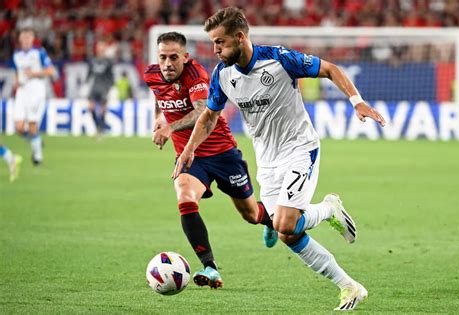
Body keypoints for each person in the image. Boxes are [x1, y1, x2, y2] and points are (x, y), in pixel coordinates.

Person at [174, 7, 386, 311]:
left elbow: (331, 69)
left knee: (285, 222)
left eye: (220, 42)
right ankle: (349, 285)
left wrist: (358, 102)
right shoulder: (223, 75)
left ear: (240, 37)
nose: (216, 50)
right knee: (287, 232)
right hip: (268, 161)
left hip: (300, 148)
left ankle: (327, 209)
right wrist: (189, 149)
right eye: (213, 44)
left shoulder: (279, 59)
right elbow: (209, 116)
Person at [143, 32, 274, 289]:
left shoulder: (196, 76)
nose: (167, 63)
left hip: (223, 153)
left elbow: (202, 110)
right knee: (184, 196)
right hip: (191, 158)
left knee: (250, 214)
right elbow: (159, 95)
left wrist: (170, 128)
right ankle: (210, 267)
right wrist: (160, 116)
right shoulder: (151, 75)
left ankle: (268, 219)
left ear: (185, 57)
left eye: (173, 57)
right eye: (162, 57)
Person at [13, 28, 54, 166]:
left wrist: (34, 73)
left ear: (32, 39)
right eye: (23, 38)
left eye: (28, 38)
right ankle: (36, 140)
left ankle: (38, 156)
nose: (25, 41)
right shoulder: (16, 54)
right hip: (22, 90)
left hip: (36, 88)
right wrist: (17, 81)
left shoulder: (39, 52)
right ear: (20, 39)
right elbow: (17, 71)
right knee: (18, 127)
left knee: (32, 124)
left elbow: (50, 70)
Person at [87, 40, 114, 135]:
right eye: (99, 47)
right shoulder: (92, 60)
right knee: (90, 107)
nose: (100, 49)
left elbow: (111, 76)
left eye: (102, 47)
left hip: (104, 87)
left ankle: (101, 129)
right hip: (94, 86)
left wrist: (110, 88)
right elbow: (89, 74)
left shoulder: (108, 62)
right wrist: (86, 84)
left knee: (103, 108)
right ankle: (97, 126)